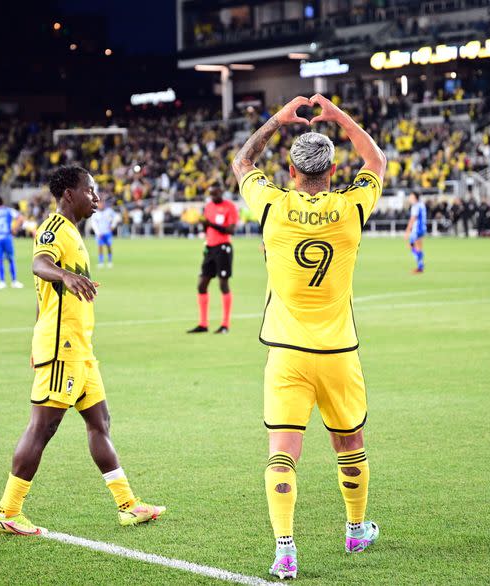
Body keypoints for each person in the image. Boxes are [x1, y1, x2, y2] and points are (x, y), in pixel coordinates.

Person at [231, 94, 386, 579]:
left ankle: (284, 549)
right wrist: (338, 115)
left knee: (283, 452)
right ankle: (356, 529)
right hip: (338, 352)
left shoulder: (273, 206)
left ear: (292, 173)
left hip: (287, 354)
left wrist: (280, 117)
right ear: (333, 171)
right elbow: (376, 159)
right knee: (350, 443)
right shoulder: (350, 207)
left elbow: (243, 160)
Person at [0, 165, 165, 537]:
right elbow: (40, 265)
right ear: (69, 194)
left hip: (79, 347)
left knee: (99, 422)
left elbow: (43, 299)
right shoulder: (54, 229)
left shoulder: (73, 232)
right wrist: (66, 275)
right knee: (43, 427)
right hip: (62, 346)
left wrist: (37, 331)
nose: (97, 198)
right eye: (90, 191)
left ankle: (128, 506)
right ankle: (8, 511)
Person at [187, 186, 238, 334]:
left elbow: (231, 230)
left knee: (223, 284)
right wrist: (203, 225)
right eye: (211, 195)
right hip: (209, 248)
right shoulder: (208, 207)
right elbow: (207, 229)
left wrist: (212, 225)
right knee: (202, 285)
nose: (213, 197)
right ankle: (203, 324)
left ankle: (225, 325)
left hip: (223, 248)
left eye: (215, 194)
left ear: (221, 192)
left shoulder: (230, 207)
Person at [0, 196, 23, 289]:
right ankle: (14, 281)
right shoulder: (9, 210)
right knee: (11, 259)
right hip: (7, 237)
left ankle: (2, 282)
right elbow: (20, 218)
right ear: (3, 202)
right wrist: (15, 229)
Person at [90, 198, 117, 268]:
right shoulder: (95, 213)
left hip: (107, 232)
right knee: (100, 247)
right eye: (100, 203)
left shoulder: (109, 211)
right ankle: (101, 262)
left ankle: (110, 261)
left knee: (109, 246)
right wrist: (97, 232)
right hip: (100, 234)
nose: (102, 205)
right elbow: (93, 223)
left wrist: (113, 226)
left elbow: (116, 217)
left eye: (103, 203)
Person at [404, 192, 427, 273]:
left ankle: (420, 265)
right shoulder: (422, 205)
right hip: (422, 228)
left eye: (411, 197)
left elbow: (413, 219)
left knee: (411, 246)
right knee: (418, 247)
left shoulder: (415, 206)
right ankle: (420, 265)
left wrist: (407, 231)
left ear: (415, 198)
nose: (409, 198)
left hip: (417, 229)